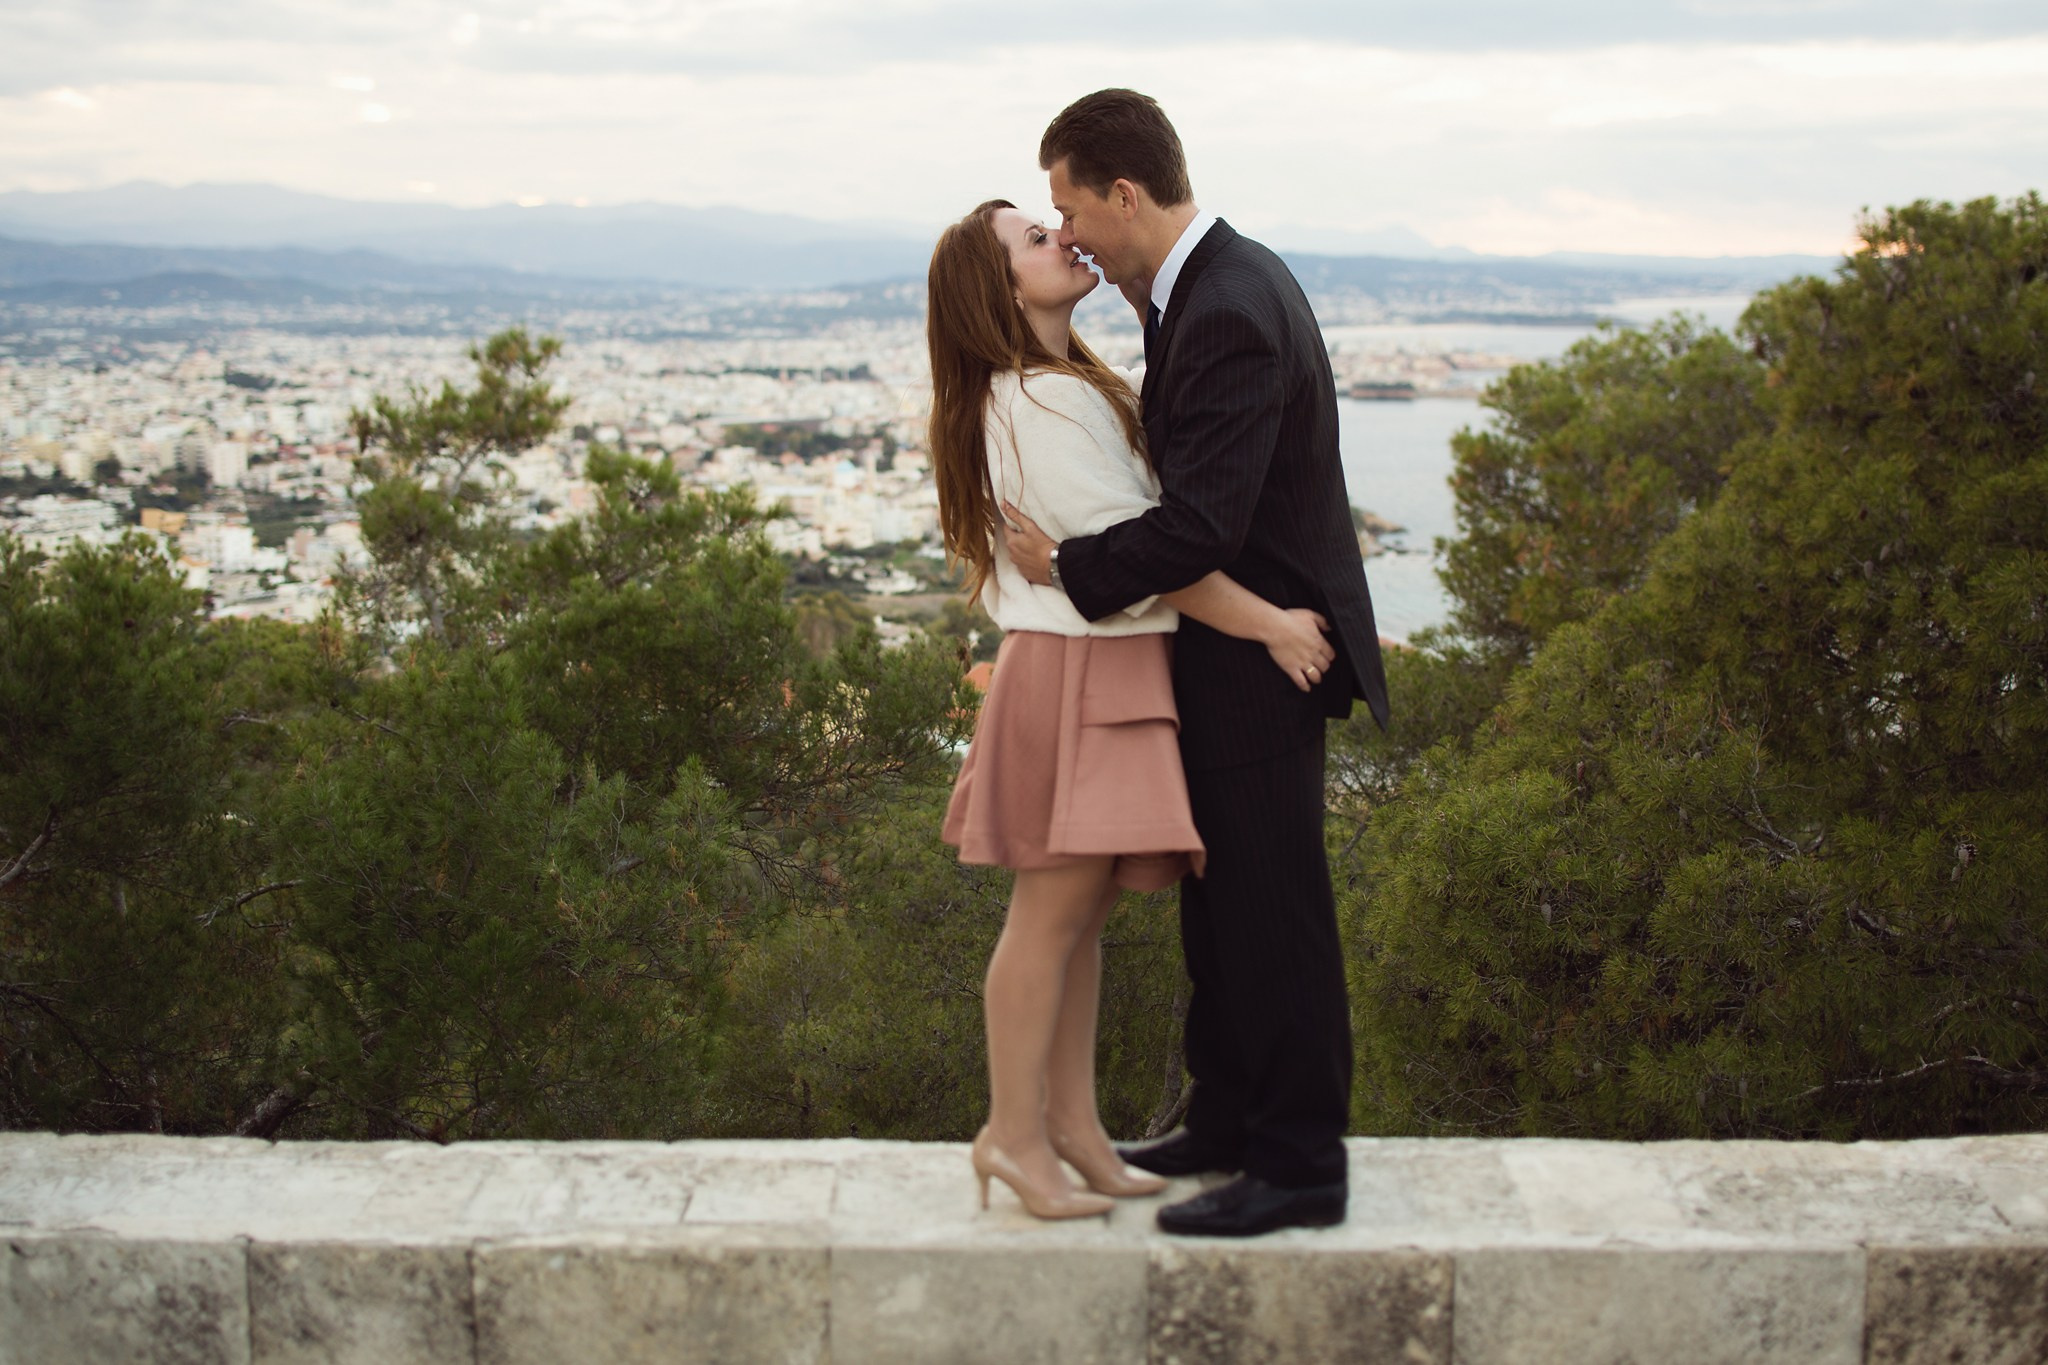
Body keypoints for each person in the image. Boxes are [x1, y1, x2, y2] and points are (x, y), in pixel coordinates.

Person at [1002, 89, 1390, 1238]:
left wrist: (1066, 565)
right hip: (1232, 655)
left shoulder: (1221, 305)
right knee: (1219, 918)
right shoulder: (1202, 288)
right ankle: (1225, 1118)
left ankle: (1299, 1165)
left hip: (1265, 666)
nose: (1065, 232)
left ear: (1124, 194)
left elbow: (1202, 525)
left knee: (1272, 915)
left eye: (1071, 208)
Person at [926, 198, 1338, 1221]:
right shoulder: (1039, 405)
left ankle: (1069, 1131)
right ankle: (1014, 1138)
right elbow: (1154, 559)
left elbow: (1140, 550)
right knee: (1047, 921)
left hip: (1092, 670)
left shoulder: (1064, 389)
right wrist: (1270, 627)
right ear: (999, 290)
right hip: (1075, 674)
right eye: (1035, 236)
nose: (1059, 239)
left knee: (1077, 925)